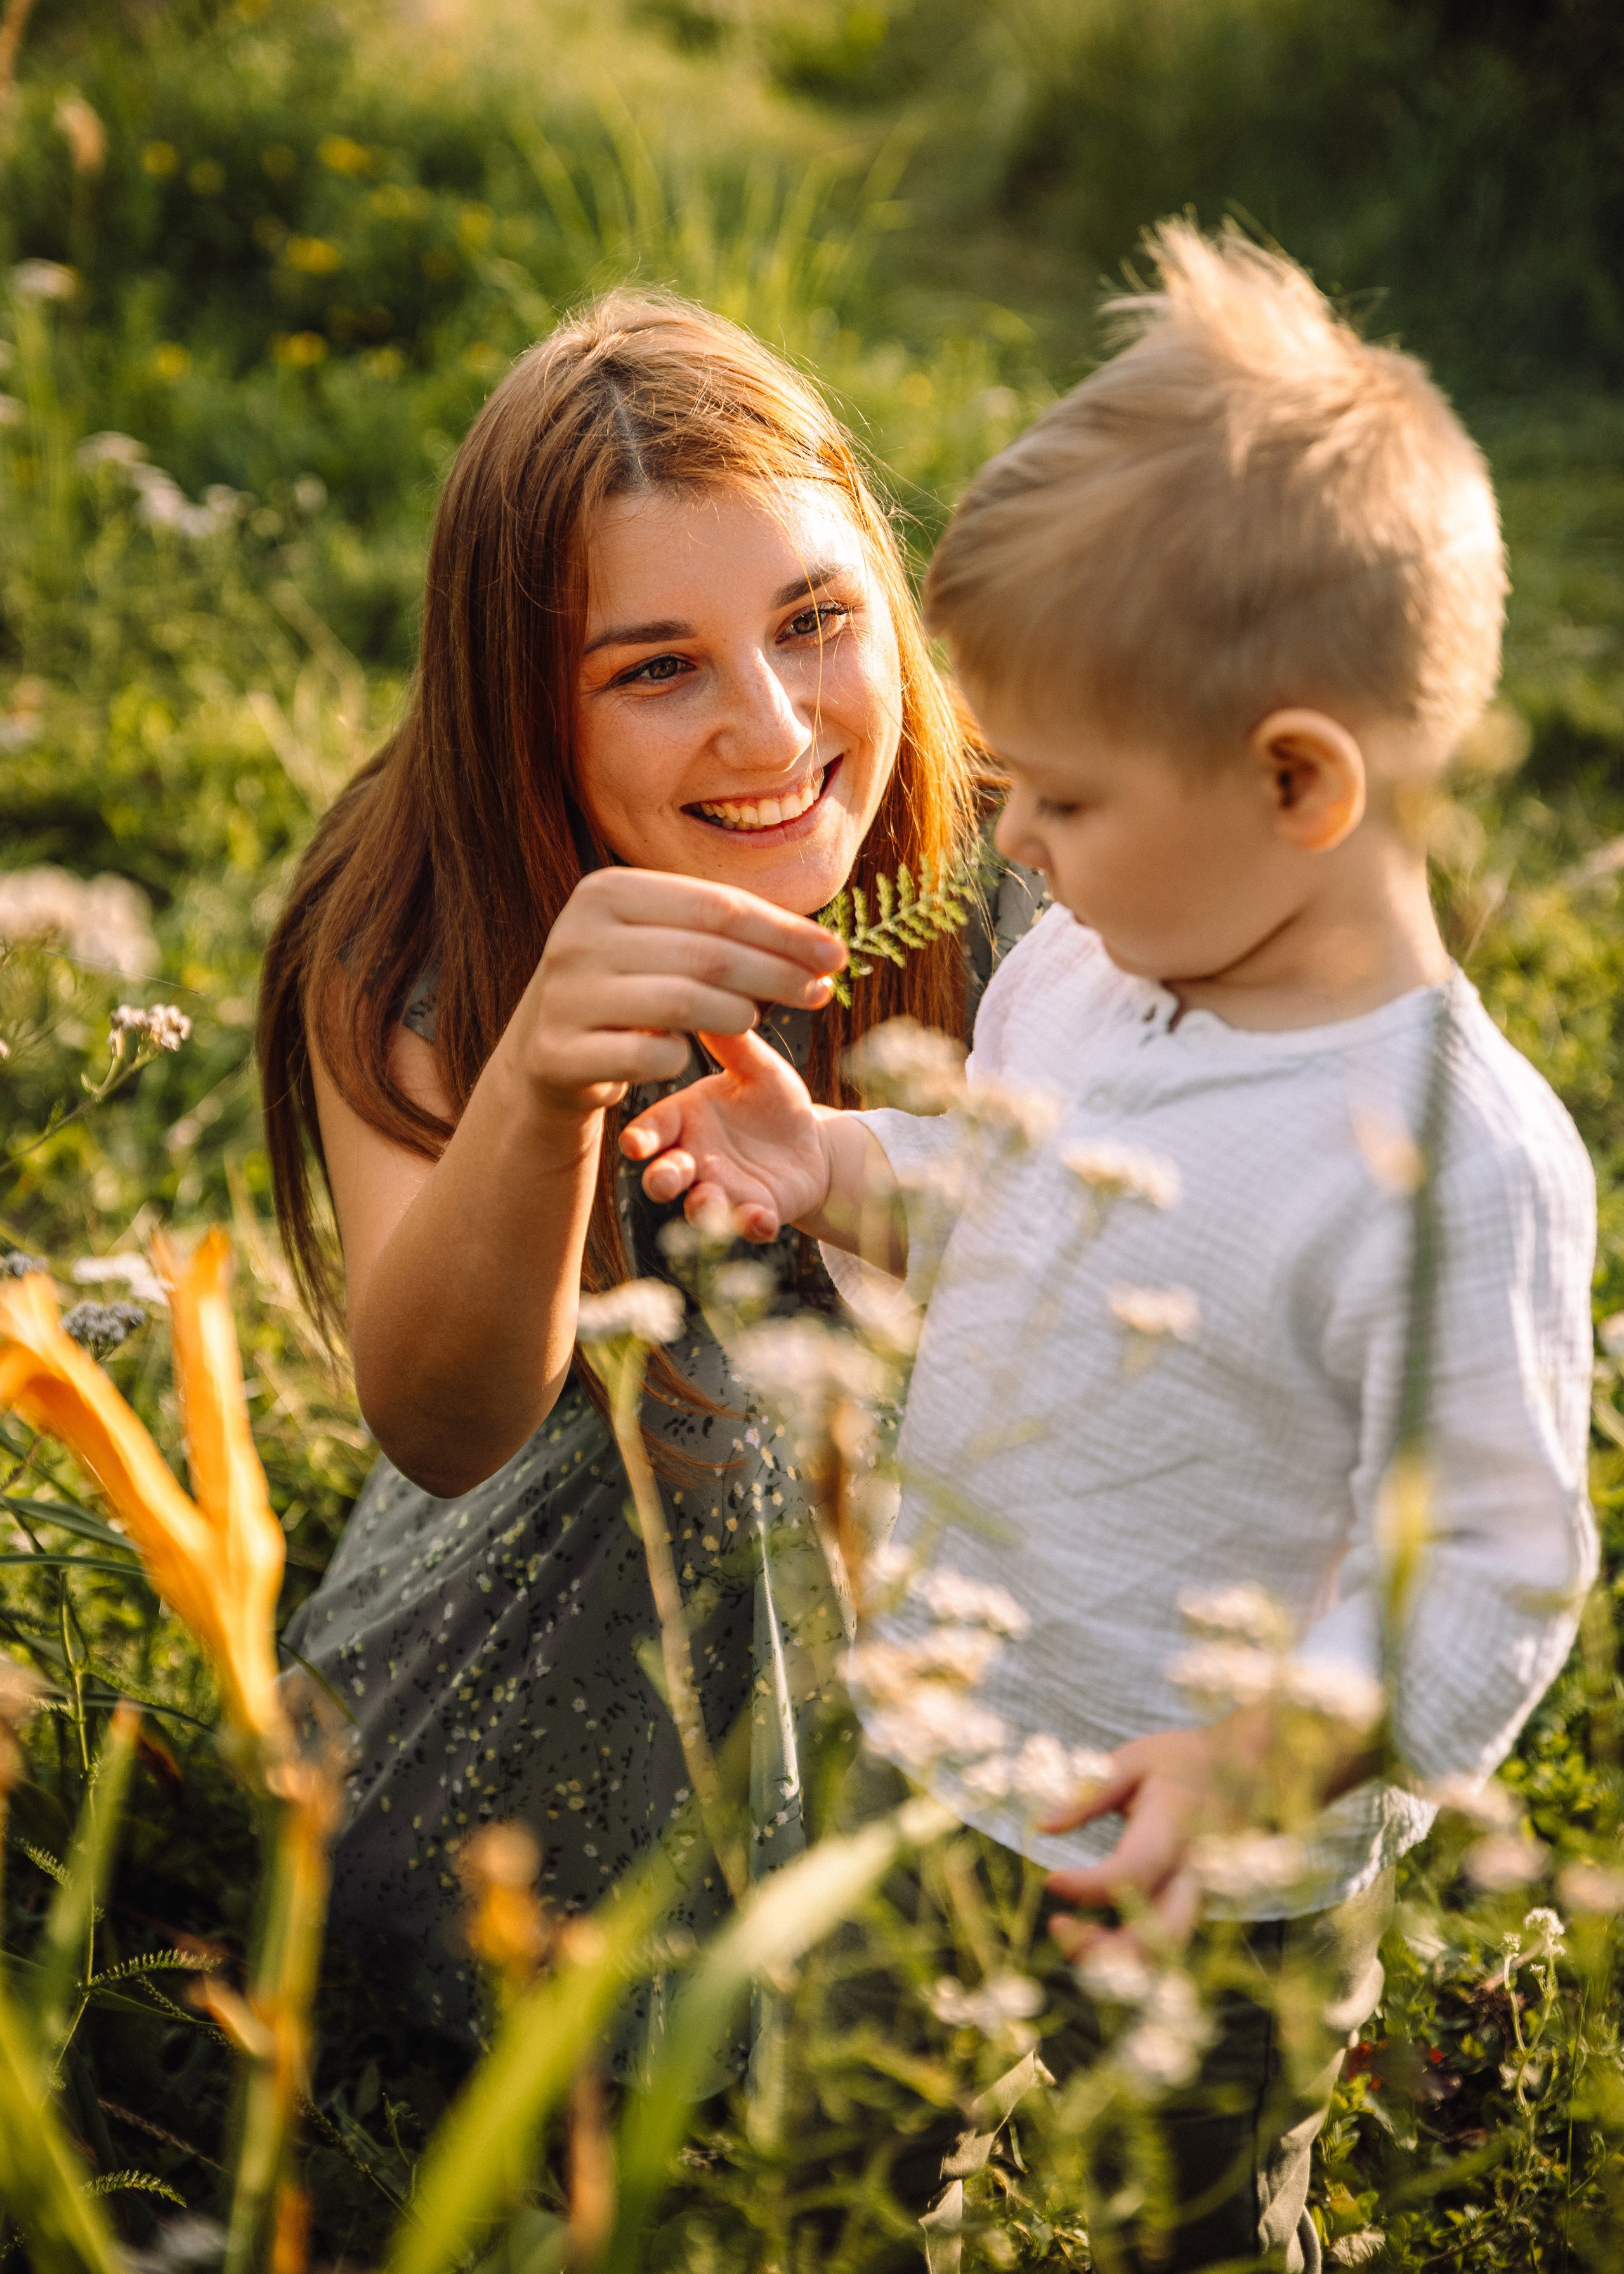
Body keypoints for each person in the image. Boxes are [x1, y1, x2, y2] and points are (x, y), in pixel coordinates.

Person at [620, 225, 1599, 2268]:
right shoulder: (1089, 970)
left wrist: (1281, 1746)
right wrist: (839, 1158)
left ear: (1299, 782)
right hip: (949, 1728)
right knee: (843, 2155)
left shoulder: (1444, 1162)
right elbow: (1035, 1208)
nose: (1014, 848)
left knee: (1197, 2218)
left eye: (1059, 795)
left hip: (1209, 1871)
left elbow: (1498, 1554)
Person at [256, 290, 1043, 2054]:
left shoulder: (1015, 849)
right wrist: (541, 1087)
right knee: (738, 1423)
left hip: (980, 1615)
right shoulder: (422, 936)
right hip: (537, 1726)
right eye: (656, 667)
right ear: (528, 710)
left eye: (816, 622)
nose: (771, 732)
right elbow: (444, 1421)